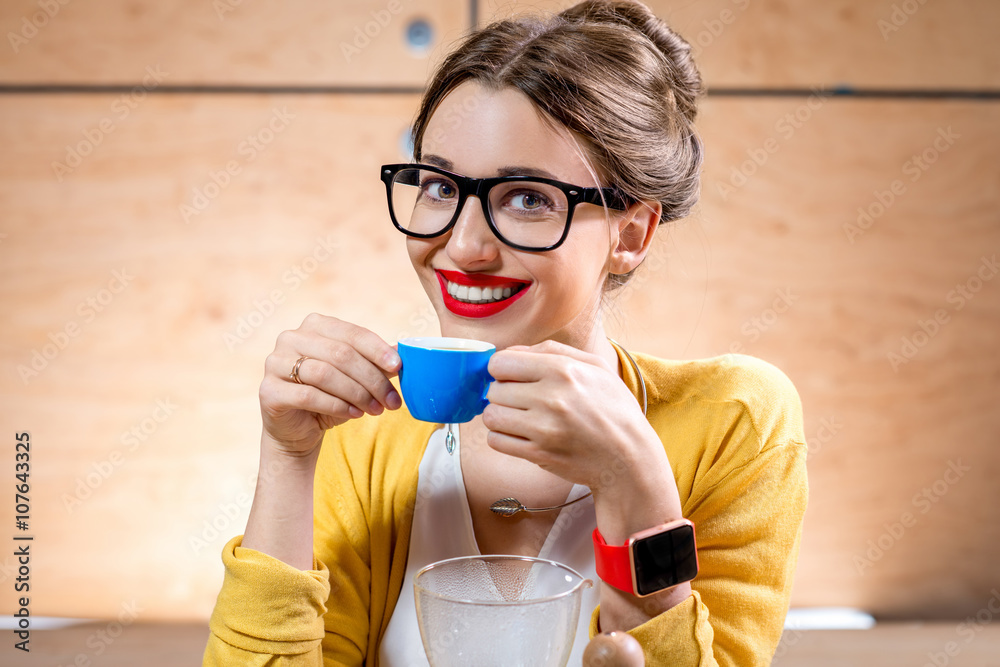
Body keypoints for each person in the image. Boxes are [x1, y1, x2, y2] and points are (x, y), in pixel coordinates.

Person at [203, 1, 808, 665]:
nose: (462, 246)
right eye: (438, 186)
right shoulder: (361, 433)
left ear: (630, 234)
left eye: (526, 198)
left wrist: (635, 483)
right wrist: (288, 458)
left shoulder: (735, 419)